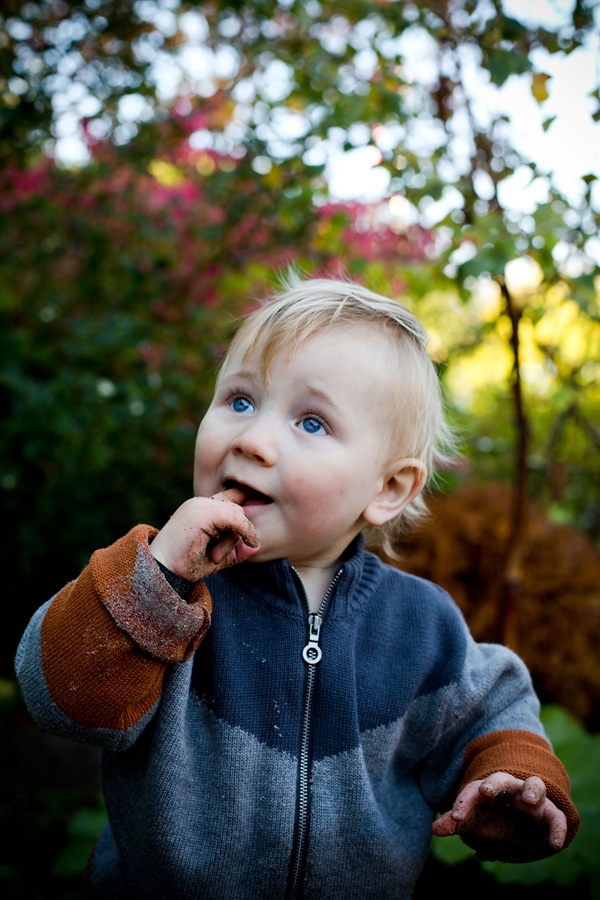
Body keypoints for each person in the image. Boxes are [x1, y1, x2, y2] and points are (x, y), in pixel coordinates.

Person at [16, 277, 579, 900]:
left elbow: (490, 710)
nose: (252, 440)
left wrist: (511, 776)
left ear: (387, 489)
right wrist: (160, 575)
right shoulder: (165, 593)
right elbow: (59, 698)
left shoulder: (419, 624)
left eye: (310, 422)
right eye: (239, 401)